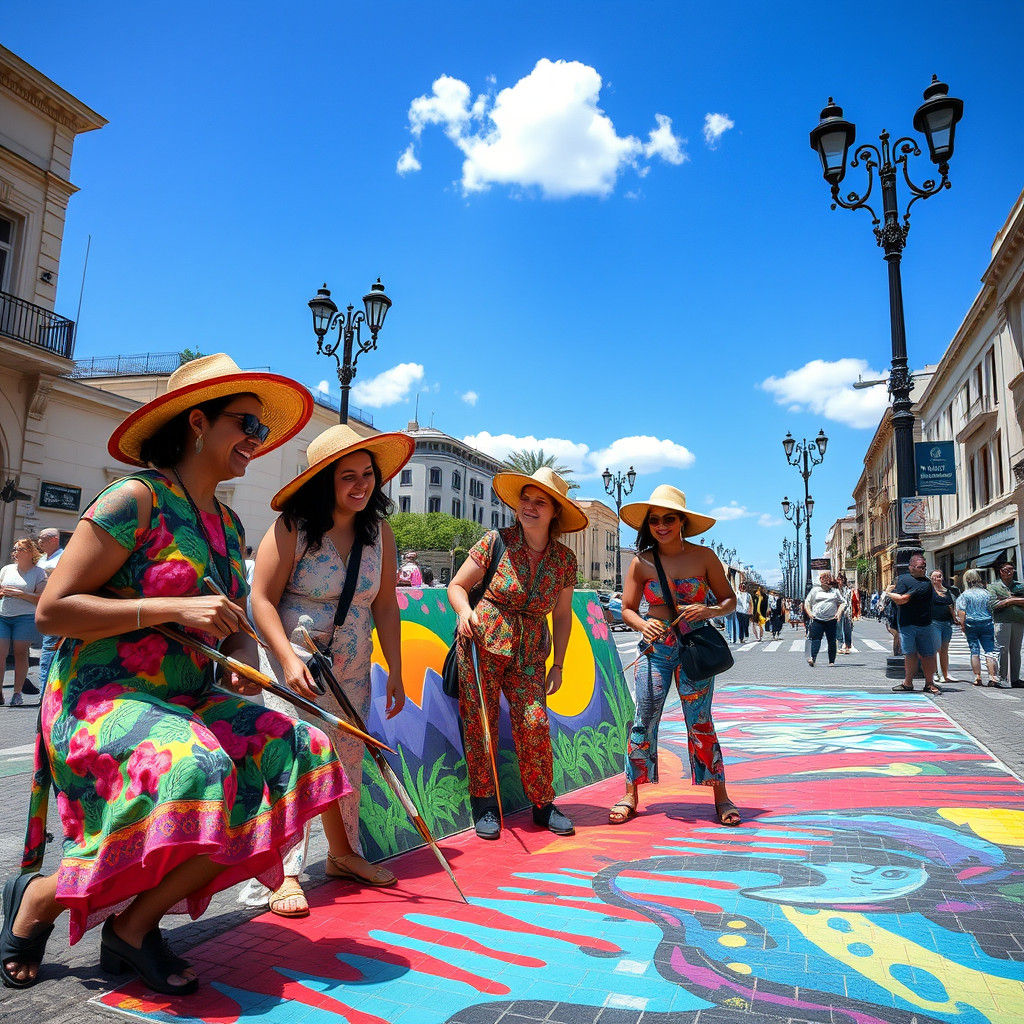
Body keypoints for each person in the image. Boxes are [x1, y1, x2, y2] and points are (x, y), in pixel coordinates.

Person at [0, 353, 347, 994]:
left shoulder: (227, 521)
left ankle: (132, 929)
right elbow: (53, 610)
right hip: (100, 698)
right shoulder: (134, 499)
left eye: (261, 431)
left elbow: (235, 619)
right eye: (246, 424)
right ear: (197, 423)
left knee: (302, 746)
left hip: (188, 697)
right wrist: (172, 606)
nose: (256, 440)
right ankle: (42, 900)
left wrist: (244, 659)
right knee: (200, 769)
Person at [250, 424, 412, 914]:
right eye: (348, 477)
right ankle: (286, 873)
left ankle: (343, 855)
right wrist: (283, 658)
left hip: (352, 666)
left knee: (347, 757)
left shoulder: (378, 531)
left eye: (368, 475)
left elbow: (385, 605)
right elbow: (260, 600)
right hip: (294, 661)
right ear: (324, 481)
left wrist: (397, 673)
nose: (361, 485)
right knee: (296, 758)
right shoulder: (292, 526)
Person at [448, 468, 585, 840]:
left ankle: (542, 804)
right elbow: (458, 586)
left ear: (555, 511)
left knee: (535, 722)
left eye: (540, 501)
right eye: (525, 498)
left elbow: (561, 613)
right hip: (483, 642)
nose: (529, 506)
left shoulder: (565, 561)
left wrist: (558, 663)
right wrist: (464, 612)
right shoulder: (495, 541)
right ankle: (485, 804)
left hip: (530, 654)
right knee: (481, 725)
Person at [606, 485, 739, 828]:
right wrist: (643, 625)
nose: (661, 525)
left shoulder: (704, 557)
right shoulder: (641, 562)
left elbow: (729, 600)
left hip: (693, 651)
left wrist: (707, 609)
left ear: (682, 521)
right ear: (647, 525)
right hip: (656, 652)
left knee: (700, 720)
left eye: (668, 519)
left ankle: (721, 796)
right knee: (644, 718)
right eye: (654, 521)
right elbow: (628, 609)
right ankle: (630, 793)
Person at [0, 539, 47, 707]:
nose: (15, 552)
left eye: (19, 549)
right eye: (14, 549)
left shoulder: (39, 573)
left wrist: (20, 594)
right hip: (3, 615)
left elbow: (41, 599)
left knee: (20, 653)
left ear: (29, 552)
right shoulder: (6, 570)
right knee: (0, 653)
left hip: (25, 618)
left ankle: (17, 693)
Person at [887, 554, 939, 695]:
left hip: (925, 624)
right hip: (907, 624)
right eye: (920, 567)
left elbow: (902, 599)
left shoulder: (926, 583)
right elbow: (899, 598)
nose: (923, 570)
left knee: (928, 654)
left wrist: (888, 593)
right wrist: (892, 594)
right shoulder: (904, 579)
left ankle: (929, 683)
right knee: (910, 654)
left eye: (924, 567)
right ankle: (907, 683)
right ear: (911, 567)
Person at [957, 568, 1004, 687]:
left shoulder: (965, 595)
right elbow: (992, 607)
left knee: (974, 651)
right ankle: (992, 676)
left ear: (966, 580)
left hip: (971, 624)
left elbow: (961, 612)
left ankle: (977, 676)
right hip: (987, 623)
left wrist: (963, 626)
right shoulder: (986, 593)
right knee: (989, 650)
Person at [32, 528, 64, 694]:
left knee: (47, 656)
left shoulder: (64, 557)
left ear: (54, 539)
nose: (39, 542)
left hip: (53, 611)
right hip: (34, 608)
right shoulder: (41, 559)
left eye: (42, 539)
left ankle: (44, 697)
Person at [988, 560, 1024, 688]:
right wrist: (1013, 600)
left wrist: (1009, 600)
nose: (1008, 572)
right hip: (1002, 622)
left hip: (1019, 621)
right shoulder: (993, 587)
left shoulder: (1020, 586)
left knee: (1016, 650)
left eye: (1010, 569)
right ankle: (1001, 678)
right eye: (1005, 570)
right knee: (1002, 650)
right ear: (1000, 572)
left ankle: (1015, 679)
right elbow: (993, 604)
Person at [803, 572, 843, 667]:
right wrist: (809, 613)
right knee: (816, 639)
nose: (826, 583)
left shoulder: (835, 591)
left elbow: (842, 602)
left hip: (831, 619)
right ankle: (813, 658)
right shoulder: (815, 591)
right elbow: (807, 603)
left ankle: (831, 661)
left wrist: (839, 613)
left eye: (828, 581)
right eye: (824, 581)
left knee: (831, 641)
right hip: (818, 619)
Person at [929, 568, 960, 684]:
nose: (938, 578)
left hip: (946, 623)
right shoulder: (929, 591)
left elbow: (950, 606)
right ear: (931, 579)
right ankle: (936, 673)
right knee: (937, 649)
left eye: (940, 576)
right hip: (934, 622)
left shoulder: (947, 591)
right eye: (935, 577)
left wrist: (955, 618)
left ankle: (945, 674)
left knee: (944, 650)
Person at [835, 573, 854, 654]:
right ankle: (839, 646)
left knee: (847, 629)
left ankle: (847, 646)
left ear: (843, 580)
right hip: (837, 612)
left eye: (839, 579)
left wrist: (852, 614)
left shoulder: (848, 590)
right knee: (838, 628)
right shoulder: (835, 590)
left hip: (846, 612)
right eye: (837, 579)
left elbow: (848, 602)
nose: (838, 581)